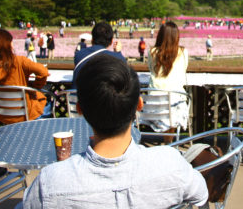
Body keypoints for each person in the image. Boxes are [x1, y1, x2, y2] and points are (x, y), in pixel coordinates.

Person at [23, 54, 207, 208]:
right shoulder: (171, 164)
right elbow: (201, 195)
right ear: (139, 105)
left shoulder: (50, 182)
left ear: (79, 109)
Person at [0, 29, 49, 124]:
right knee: (46, 103)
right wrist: (36, 87)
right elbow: (43, 71)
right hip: (25, 113)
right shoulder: (19, 61)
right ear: (8, 45)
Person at [147, 22, 189, 141]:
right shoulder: (183, 52)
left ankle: (167, 141)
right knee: (173, 111)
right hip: (177, 102)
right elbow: (183, 69)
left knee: (166, 111)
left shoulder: (152, 52)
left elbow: (151, 69)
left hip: (155, 103)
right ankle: (169, 142)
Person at [72, 22, 124, 87]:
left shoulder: (79, 55)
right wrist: (118, 52)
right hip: (102, 96)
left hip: (78, 95)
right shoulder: (118, 58)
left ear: (92, 39)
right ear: (111, 42)